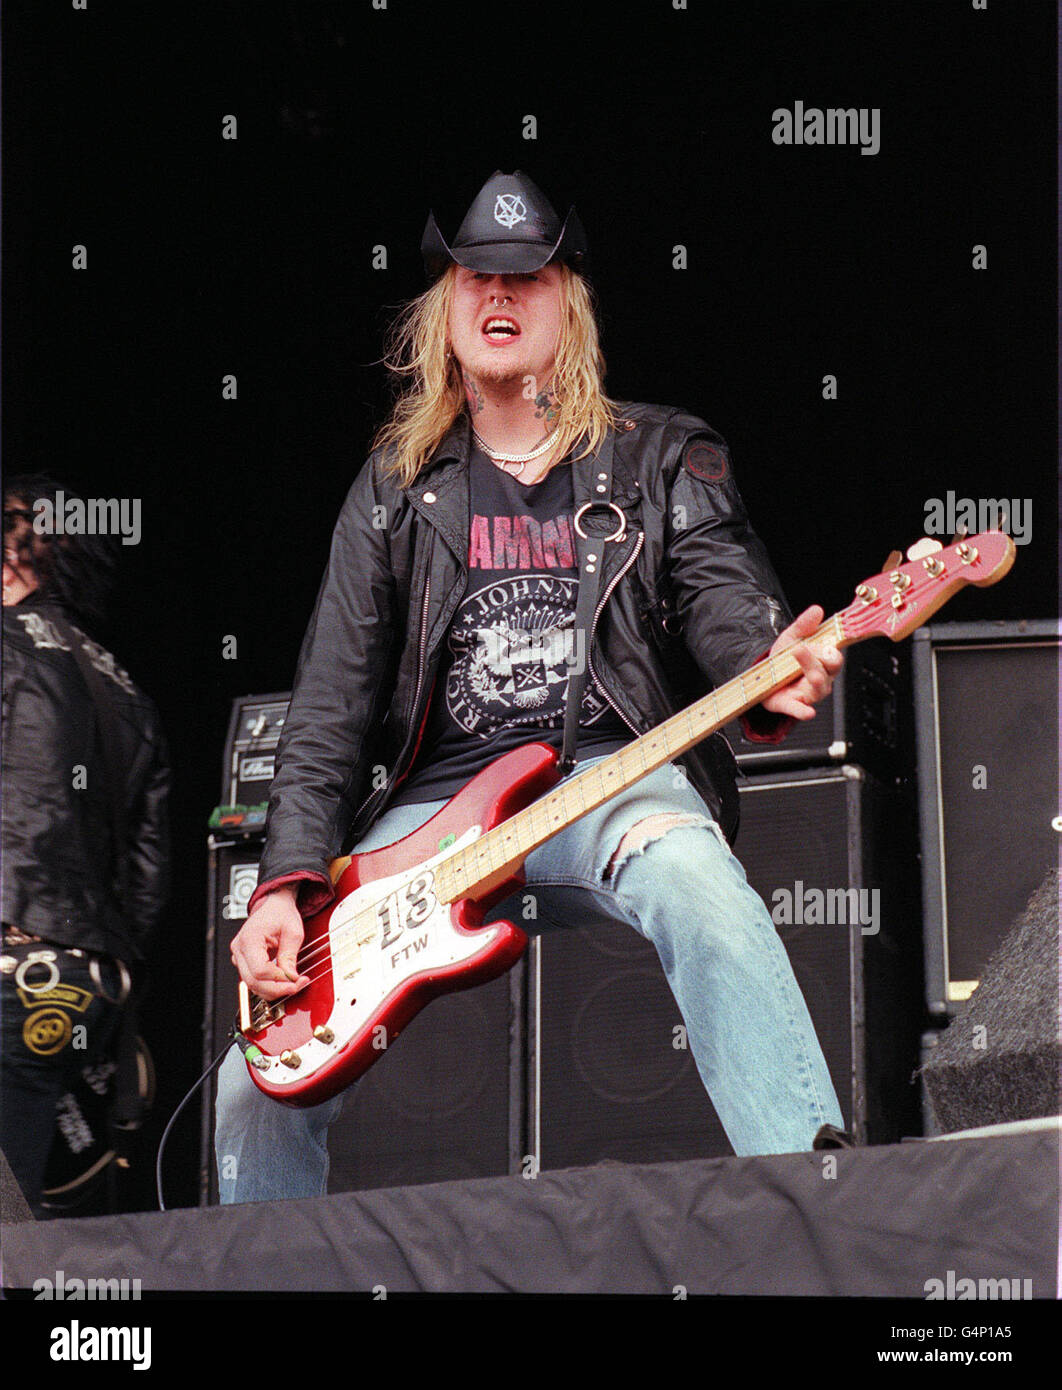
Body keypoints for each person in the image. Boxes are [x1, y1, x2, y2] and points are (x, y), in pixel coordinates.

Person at [216, 170, 847, 1204]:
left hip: (609, 783)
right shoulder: (394, 486)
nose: (500, 296)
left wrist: (774, 671)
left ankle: (820, 1207)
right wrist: (287, 880)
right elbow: (329, 699)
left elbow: (729, 606)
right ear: (444, 310)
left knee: (703, 898)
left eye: (530, 275)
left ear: (571, 303)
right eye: (475, 279)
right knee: (263, 1076)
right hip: (433, 822)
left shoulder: (661, 456)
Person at [1, 477, 170, 1216]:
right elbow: (148, 879)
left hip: (8, 962)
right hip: (87, 988)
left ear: (15, 555)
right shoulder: (127, 689)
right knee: (30, 1215)